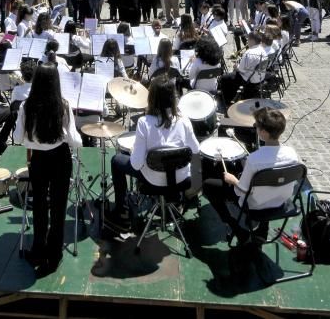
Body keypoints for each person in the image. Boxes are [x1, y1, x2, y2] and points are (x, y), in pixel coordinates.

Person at [108, 75, 200, 232]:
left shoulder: (144, 123)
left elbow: (136, 165)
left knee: (116, 161)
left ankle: (121, 212)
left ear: (151, 98)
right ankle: (176, 199)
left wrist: (137, 152)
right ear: (173, 98)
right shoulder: (184, 121)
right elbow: (196, 150)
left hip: (153, 181)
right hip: (181, 179)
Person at [13, 63, 82, 274]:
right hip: (60, 159)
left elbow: (18, 138)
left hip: (39, 160)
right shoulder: (63, 105)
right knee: (59, 206)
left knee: (40, 204)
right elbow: (74, 140)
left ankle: (37, 250)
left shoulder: (26, 105)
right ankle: (54, 255)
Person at [203, 107, 299, 244]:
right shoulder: (292, 154)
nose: (255, 128)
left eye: (256, 126)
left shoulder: (254, 159)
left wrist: (233, 180)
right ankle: (262, 229)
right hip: (280, 202)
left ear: (264, 132)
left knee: (208, 185)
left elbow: (241, 190)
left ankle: (235, 228)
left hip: (256, 205)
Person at [219, 32, 266, 105]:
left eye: (248, 39)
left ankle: (228, 101)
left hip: (248, 80)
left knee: (224, 78)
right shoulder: (263, 50)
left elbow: (240, 69)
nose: (247, 41)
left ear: (252, 40)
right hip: (259, 78)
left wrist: (236, 66)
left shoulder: (249, 53)